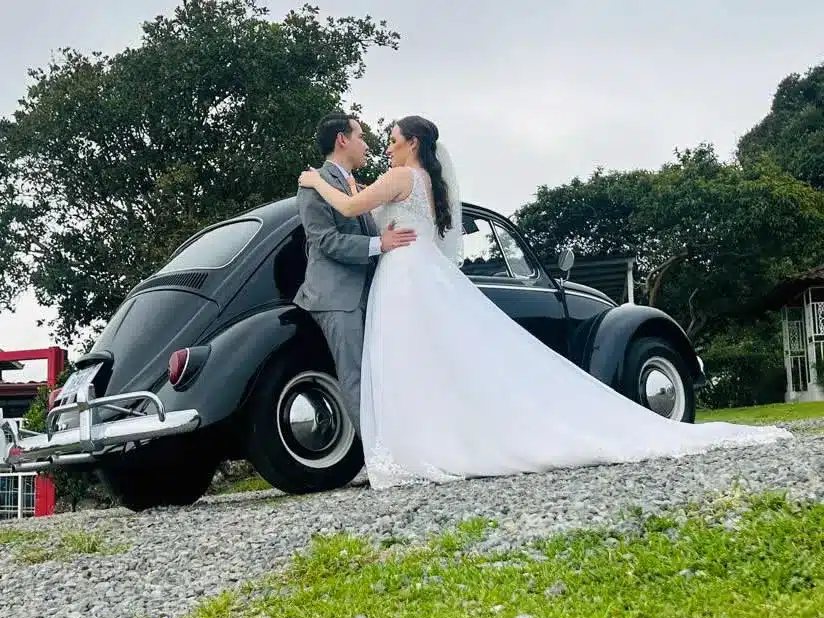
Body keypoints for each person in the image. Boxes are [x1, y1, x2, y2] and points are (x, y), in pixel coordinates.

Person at [298, 115, 792, 489]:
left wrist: (315, 181)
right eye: (379, 139)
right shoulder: (422, 181)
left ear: (412, 143)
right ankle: (433, 441)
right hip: (409, 272)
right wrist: (350, 197)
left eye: (392, 139)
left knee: (414, 363)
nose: (385, 146)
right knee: (427, 362)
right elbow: (364, 210)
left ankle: (420, 444)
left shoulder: (400, 178)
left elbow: (350, 206)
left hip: (403, 275)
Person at [293, 112, 417, 437]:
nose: (366, 144)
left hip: (371, 293)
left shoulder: (355, 186)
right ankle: (378, 455)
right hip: (336, 298)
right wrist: (380, 243)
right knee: (357, 377)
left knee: (380, 374)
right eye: (360, 136)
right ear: (342, 140)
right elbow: (325, 241)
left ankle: (396, 442)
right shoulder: (312, 184)